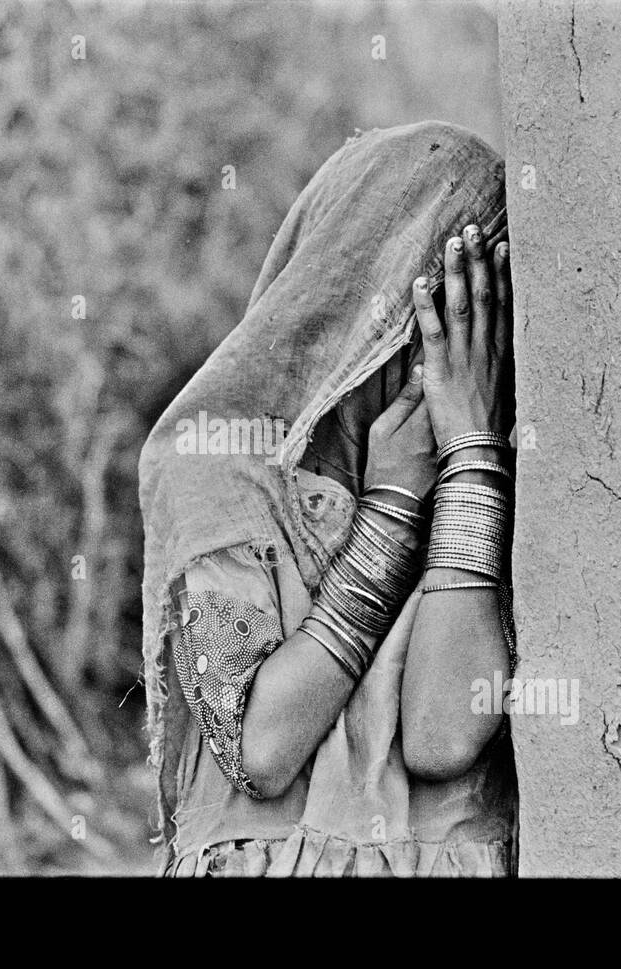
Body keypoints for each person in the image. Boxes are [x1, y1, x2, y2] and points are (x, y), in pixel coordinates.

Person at [139, 120, 517, 876]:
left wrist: (472, 456)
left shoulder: (490, 475)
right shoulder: (218, 468)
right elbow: (264, 746)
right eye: (436, 311)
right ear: (353, 300)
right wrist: (389, 510)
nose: (442, 352)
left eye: (483, 311)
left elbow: (443, 734)